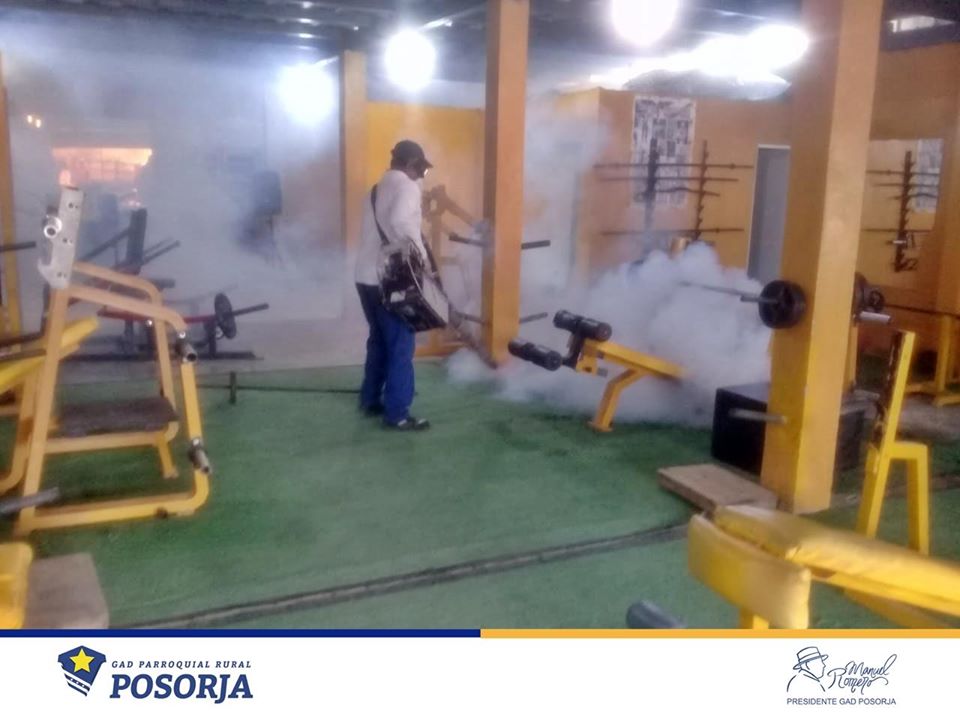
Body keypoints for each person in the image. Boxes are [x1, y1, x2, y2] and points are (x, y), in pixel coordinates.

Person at [355, 140, 434, 431]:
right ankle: (397, 413)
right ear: (412, 164)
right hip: (389, 280)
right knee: (401, 345)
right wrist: (422, 258)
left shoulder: (375, 190)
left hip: (365, 277)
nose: (421, 175)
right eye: (422, 169)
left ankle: (370, 399)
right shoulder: (407, 186)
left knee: (378, 340)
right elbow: (401, 222)